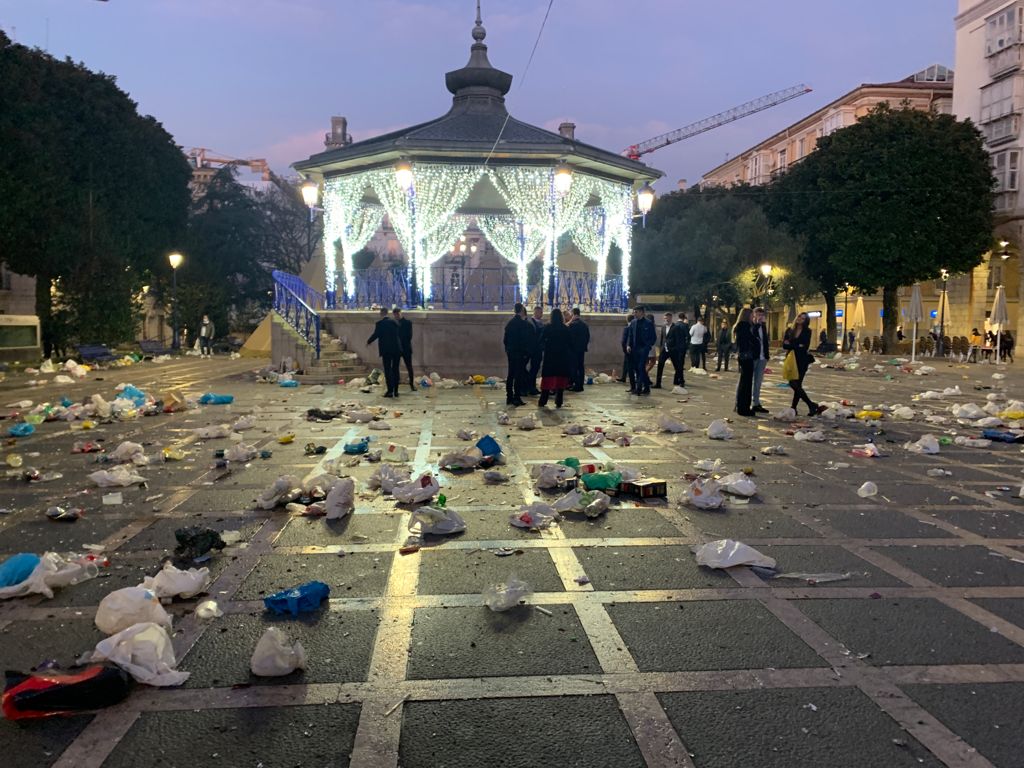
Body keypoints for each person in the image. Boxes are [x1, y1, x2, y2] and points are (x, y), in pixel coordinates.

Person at [782, 312, 819, 416]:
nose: (800, 319)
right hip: (790, 359)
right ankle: (811, 405)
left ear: (806, 321)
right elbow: (784, 346)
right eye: (799, 317)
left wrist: (792, 345)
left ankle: (794, 408)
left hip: (802, 360)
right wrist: (797, 345)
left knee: (797, 384)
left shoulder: (807, 331)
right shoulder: (789, 330)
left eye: (803, 318)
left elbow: (805, 346)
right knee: (793, 383)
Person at [538, 308, 572, 408]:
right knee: (560, 379)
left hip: (550, 357)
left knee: (547, 380)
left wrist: (546, 347)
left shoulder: (548, 327)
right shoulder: (565, 329)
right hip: (562, 357)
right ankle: (559, 400)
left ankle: (543, 400)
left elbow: (541, 341)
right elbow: (570, 343)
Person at [367, 308, 401, 398]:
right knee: (395, 369)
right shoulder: (395, 323)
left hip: (386, 350)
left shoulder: (380, 324)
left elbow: (376, 335)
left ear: (381, 313)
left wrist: (368, 342)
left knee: (388, 370)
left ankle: (390, 391)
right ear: (388, 313)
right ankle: (396, 391)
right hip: (397, 349)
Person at [503, 303, 533, 407]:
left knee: (510, 374)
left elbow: (505, 340)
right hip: (520, 353)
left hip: (511, 352)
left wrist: (508, 349)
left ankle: (509, 397)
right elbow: (526, 340)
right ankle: (517, 397)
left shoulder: (510, 323)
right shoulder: (523, 324)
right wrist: (526, 352)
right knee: (518, 375)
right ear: (521, 310)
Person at [626, 305, 656, 395]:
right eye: (634, 312)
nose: (635, 313)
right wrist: (628, 345)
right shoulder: (633, 322)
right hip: (635, 348)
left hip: (644, 348)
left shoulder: (648, 323)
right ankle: (646, 387)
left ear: (642, 312)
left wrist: (648, 346)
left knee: (641, 367)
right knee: (638, 368)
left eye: (637, 312)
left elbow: (653, 337)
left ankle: (638, 388)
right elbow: (630, 335)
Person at [733, 308, 756, 416]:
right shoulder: (745, 326)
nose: (753, 317)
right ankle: (744, 407)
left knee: (744, 381)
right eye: (752, 315)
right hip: (747, 356)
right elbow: (751, 340)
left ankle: (741, 406)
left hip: (743, 355)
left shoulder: (739, 326)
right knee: (746, 383)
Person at [392, 308, 415, 391]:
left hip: (405, 348)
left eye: (397, 314)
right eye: (395, 315)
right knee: (395, 367)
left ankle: (412, 384)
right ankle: (396, 385)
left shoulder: (407, 323)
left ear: (400, 314)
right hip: (397, 348)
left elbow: (409, 336)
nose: (396, 316)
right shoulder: (393, 323)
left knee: (409, 366)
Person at [567, 307, 590, 392]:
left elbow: (569, 337)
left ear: (573, 314)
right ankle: (580, 385)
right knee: (580, 367)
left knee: (574, 367)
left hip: (573, 349)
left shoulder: (573, 324)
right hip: (581, 349)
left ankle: (576, 385)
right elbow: (587, 337)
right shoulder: (584, 324)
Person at [654, 312, 675, 388]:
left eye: (666, 318)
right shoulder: (663, 327)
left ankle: (679, 382)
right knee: (660, 365)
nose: (665, 320)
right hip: (664, 349)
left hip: (672, 349)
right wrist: (660, 348)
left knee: (677, 366)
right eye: (664, 318)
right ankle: (658, 383)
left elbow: (678, 339)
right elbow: (662, 338)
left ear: (670, 318)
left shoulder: (675, 327)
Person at [526, 306, 544, 394]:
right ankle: (530, 387)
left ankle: (532, 386)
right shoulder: (531, 323)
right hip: (534, 349)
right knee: (533, 369)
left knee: (535, 368)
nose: (542, 314)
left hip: (538, 349)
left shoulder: (539, 322)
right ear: (536, 312)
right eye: (541, 313)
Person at [668, 313, 687, 387]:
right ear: (684, 318)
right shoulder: (684, 326)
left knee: (677, 364)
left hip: (674, 348)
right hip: (681, 347)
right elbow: (687, 336)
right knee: (680, 364)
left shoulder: (674, 326)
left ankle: (677, 380)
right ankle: (680, 380)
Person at [617, 318, 631, 383]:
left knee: (627, 364)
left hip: (627, 349)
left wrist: (624, 349)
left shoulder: (627, 328)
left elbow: (623, 341)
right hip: (634, 349)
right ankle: (624, 377)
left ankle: (624, 377)